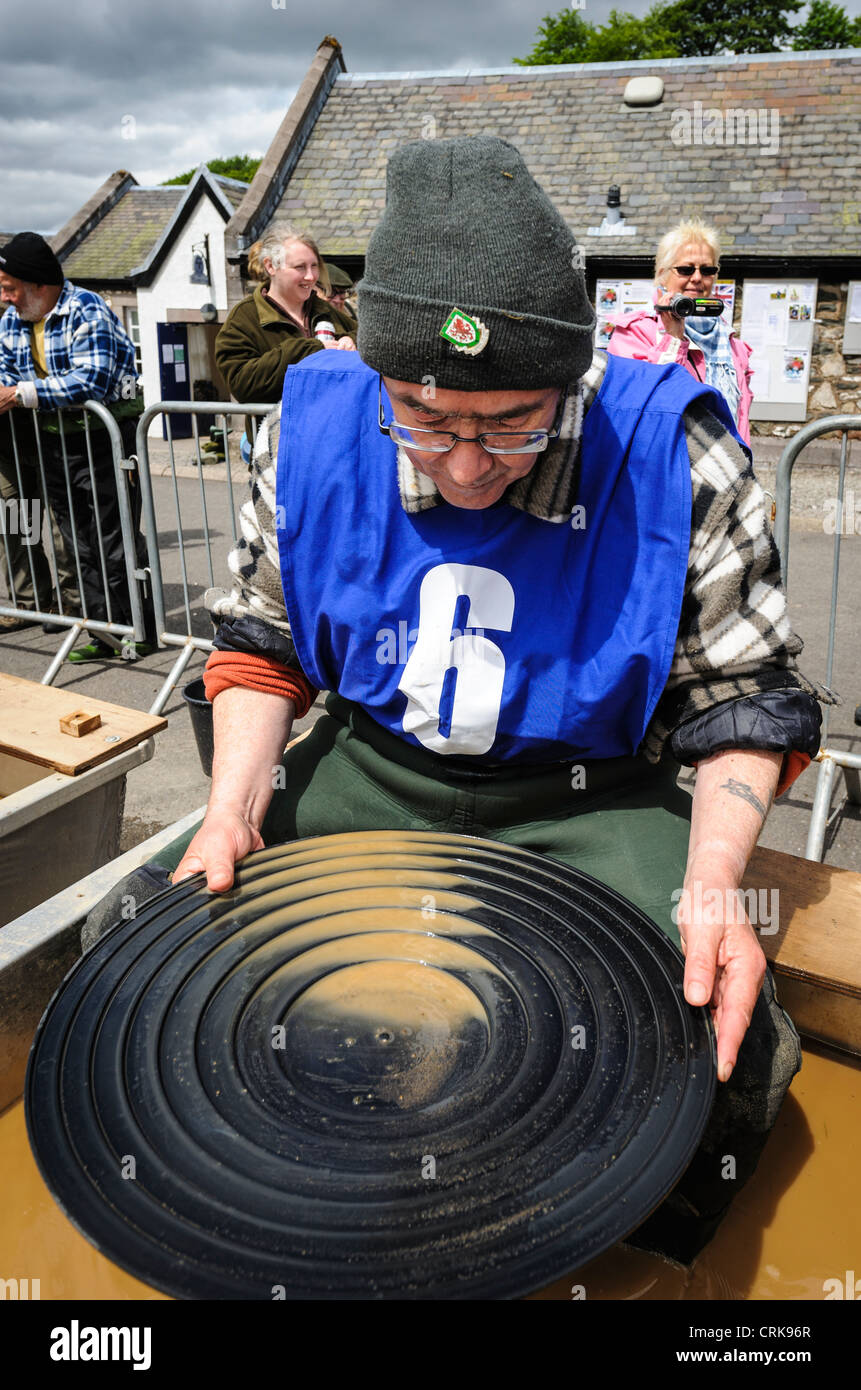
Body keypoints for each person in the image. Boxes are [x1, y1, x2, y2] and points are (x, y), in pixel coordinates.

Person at [83, 138, 830, 1266]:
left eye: (513, 421)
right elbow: (258, 640)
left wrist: (720, 883)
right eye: (426, 420)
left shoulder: (672, 447)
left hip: (587, 792)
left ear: (571, 376)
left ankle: (615, 1266)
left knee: (726, 1054)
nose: (470, 465)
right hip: (369, 764)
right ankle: (306, 1214)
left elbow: (745, 698)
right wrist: (235, 803)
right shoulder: (315, 421)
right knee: (131, 943)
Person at [0, 232, 152, 660]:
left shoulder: (87, 307)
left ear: (38, 284)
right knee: (76, 541)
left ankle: (141, 628)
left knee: (113, 538)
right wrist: (14, 389)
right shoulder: (12, 322)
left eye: (9, 287)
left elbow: (92, 379)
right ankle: (102, 632)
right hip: (54, 441)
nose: (5, 297)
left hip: (105, 437)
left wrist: (20, 394)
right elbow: (4, 372)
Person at [607, 219, 754, 445]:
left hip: (725, 468)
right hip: (665, 465)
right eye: (685, 269)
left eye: (707, 270)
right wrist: (672, 338)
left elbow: (740, 420)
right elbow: (645, 407)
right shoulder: (635, 334)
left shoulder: (730, 341)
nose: (697, 278)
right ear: (663, 274)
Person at [215, 226, 357, 407]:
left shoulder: (325, 309)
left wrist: (351, 341)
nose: (311, 276)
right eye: (300, 267)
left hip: (335, 428)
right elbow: (242, 385)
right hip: (281, 433)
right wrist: (308, 351)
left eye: (314, 266)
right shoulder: (243, 318)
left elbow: (366, 337)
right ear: (270, 266)